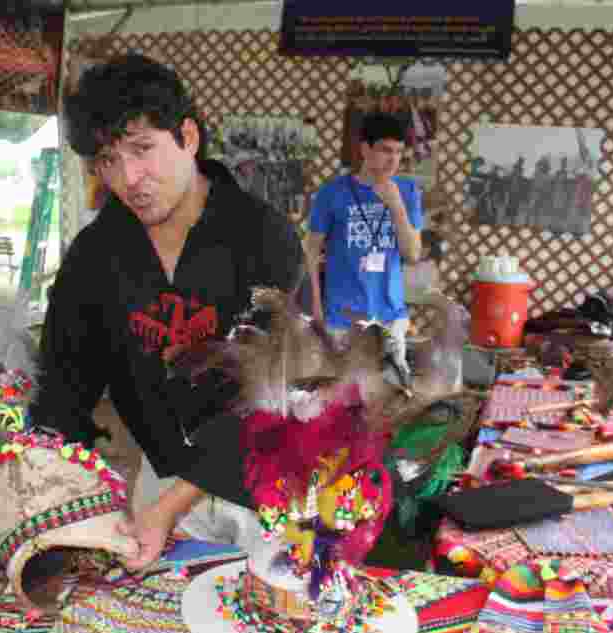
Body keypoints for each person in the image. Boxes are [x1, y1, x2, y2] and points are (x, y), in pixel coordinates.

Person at [30, 54, 303, 571]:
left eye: (142, 149)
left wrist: (171, 507)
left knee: (267, 624)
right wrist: (39, 466)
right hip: (161, 479)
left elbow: (275, 390)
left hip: (269, 482)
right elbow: (63, 386)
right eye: (108, 160)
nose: (130, 178)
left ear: (189, 137)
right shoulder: (95, 256)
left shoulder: (263, 237)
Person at [304, 111, 423, 386]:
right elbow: (309, 254)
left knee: (388, 399)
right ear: (365, 149)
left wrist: (396, 205)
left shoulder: (407, 191)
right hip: (341, 319)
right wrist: (315, 311)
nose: (393, 159)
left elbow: (413, 254)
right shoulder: (332, 192)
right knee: (341, 399)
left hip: (390, 318)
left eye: (398, 152)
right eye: (385, 150)